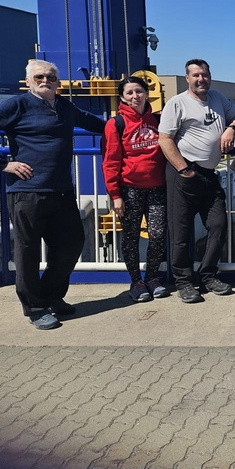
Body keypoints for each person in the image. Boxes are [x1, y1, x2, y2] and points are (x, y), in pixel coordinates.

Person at [0, 60, 105, 330]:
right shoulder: (17, 105)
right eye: (39, 77)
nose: (45, 81)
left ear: (58, 82)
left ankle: (51, 296)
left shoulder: (64, 106)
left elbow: (95, 123)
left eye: (51, 77)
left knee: (71, 244)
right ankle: (35, 307)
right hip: (27, 191)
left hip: (61, 190)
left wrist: (134, 123)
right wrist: (2, 164)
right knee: (27, 252)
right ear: (28, 81)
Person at [158, 59, 235, 303]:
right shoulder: (177, 103)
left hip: (209, 175)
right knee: (181, 233)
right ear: (187, 78)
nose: (201, 79)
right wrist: (184, 170)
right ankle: (184, 282)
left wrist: (231, 129)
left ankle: (208, 275)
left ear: (210, 76)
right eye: (195, 75)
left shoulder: (217, 98)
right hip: (183, 174)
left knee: (218, 225)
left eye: (204, 74)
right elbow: (165, 139)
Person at [102, 76, 168, 303]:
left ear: (146, 93)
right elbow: (110, 161)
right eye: (129, 93)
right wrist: (115, 195)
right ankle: (136, 282)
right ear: (122, 97)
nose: (135, 96)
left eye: (139, 91)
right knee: (130, 237)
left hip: (158, 187)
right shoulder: (116, 124)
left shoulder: (158, 120)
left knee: (157, 234)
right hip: (129, 189)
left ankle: (152, 278)